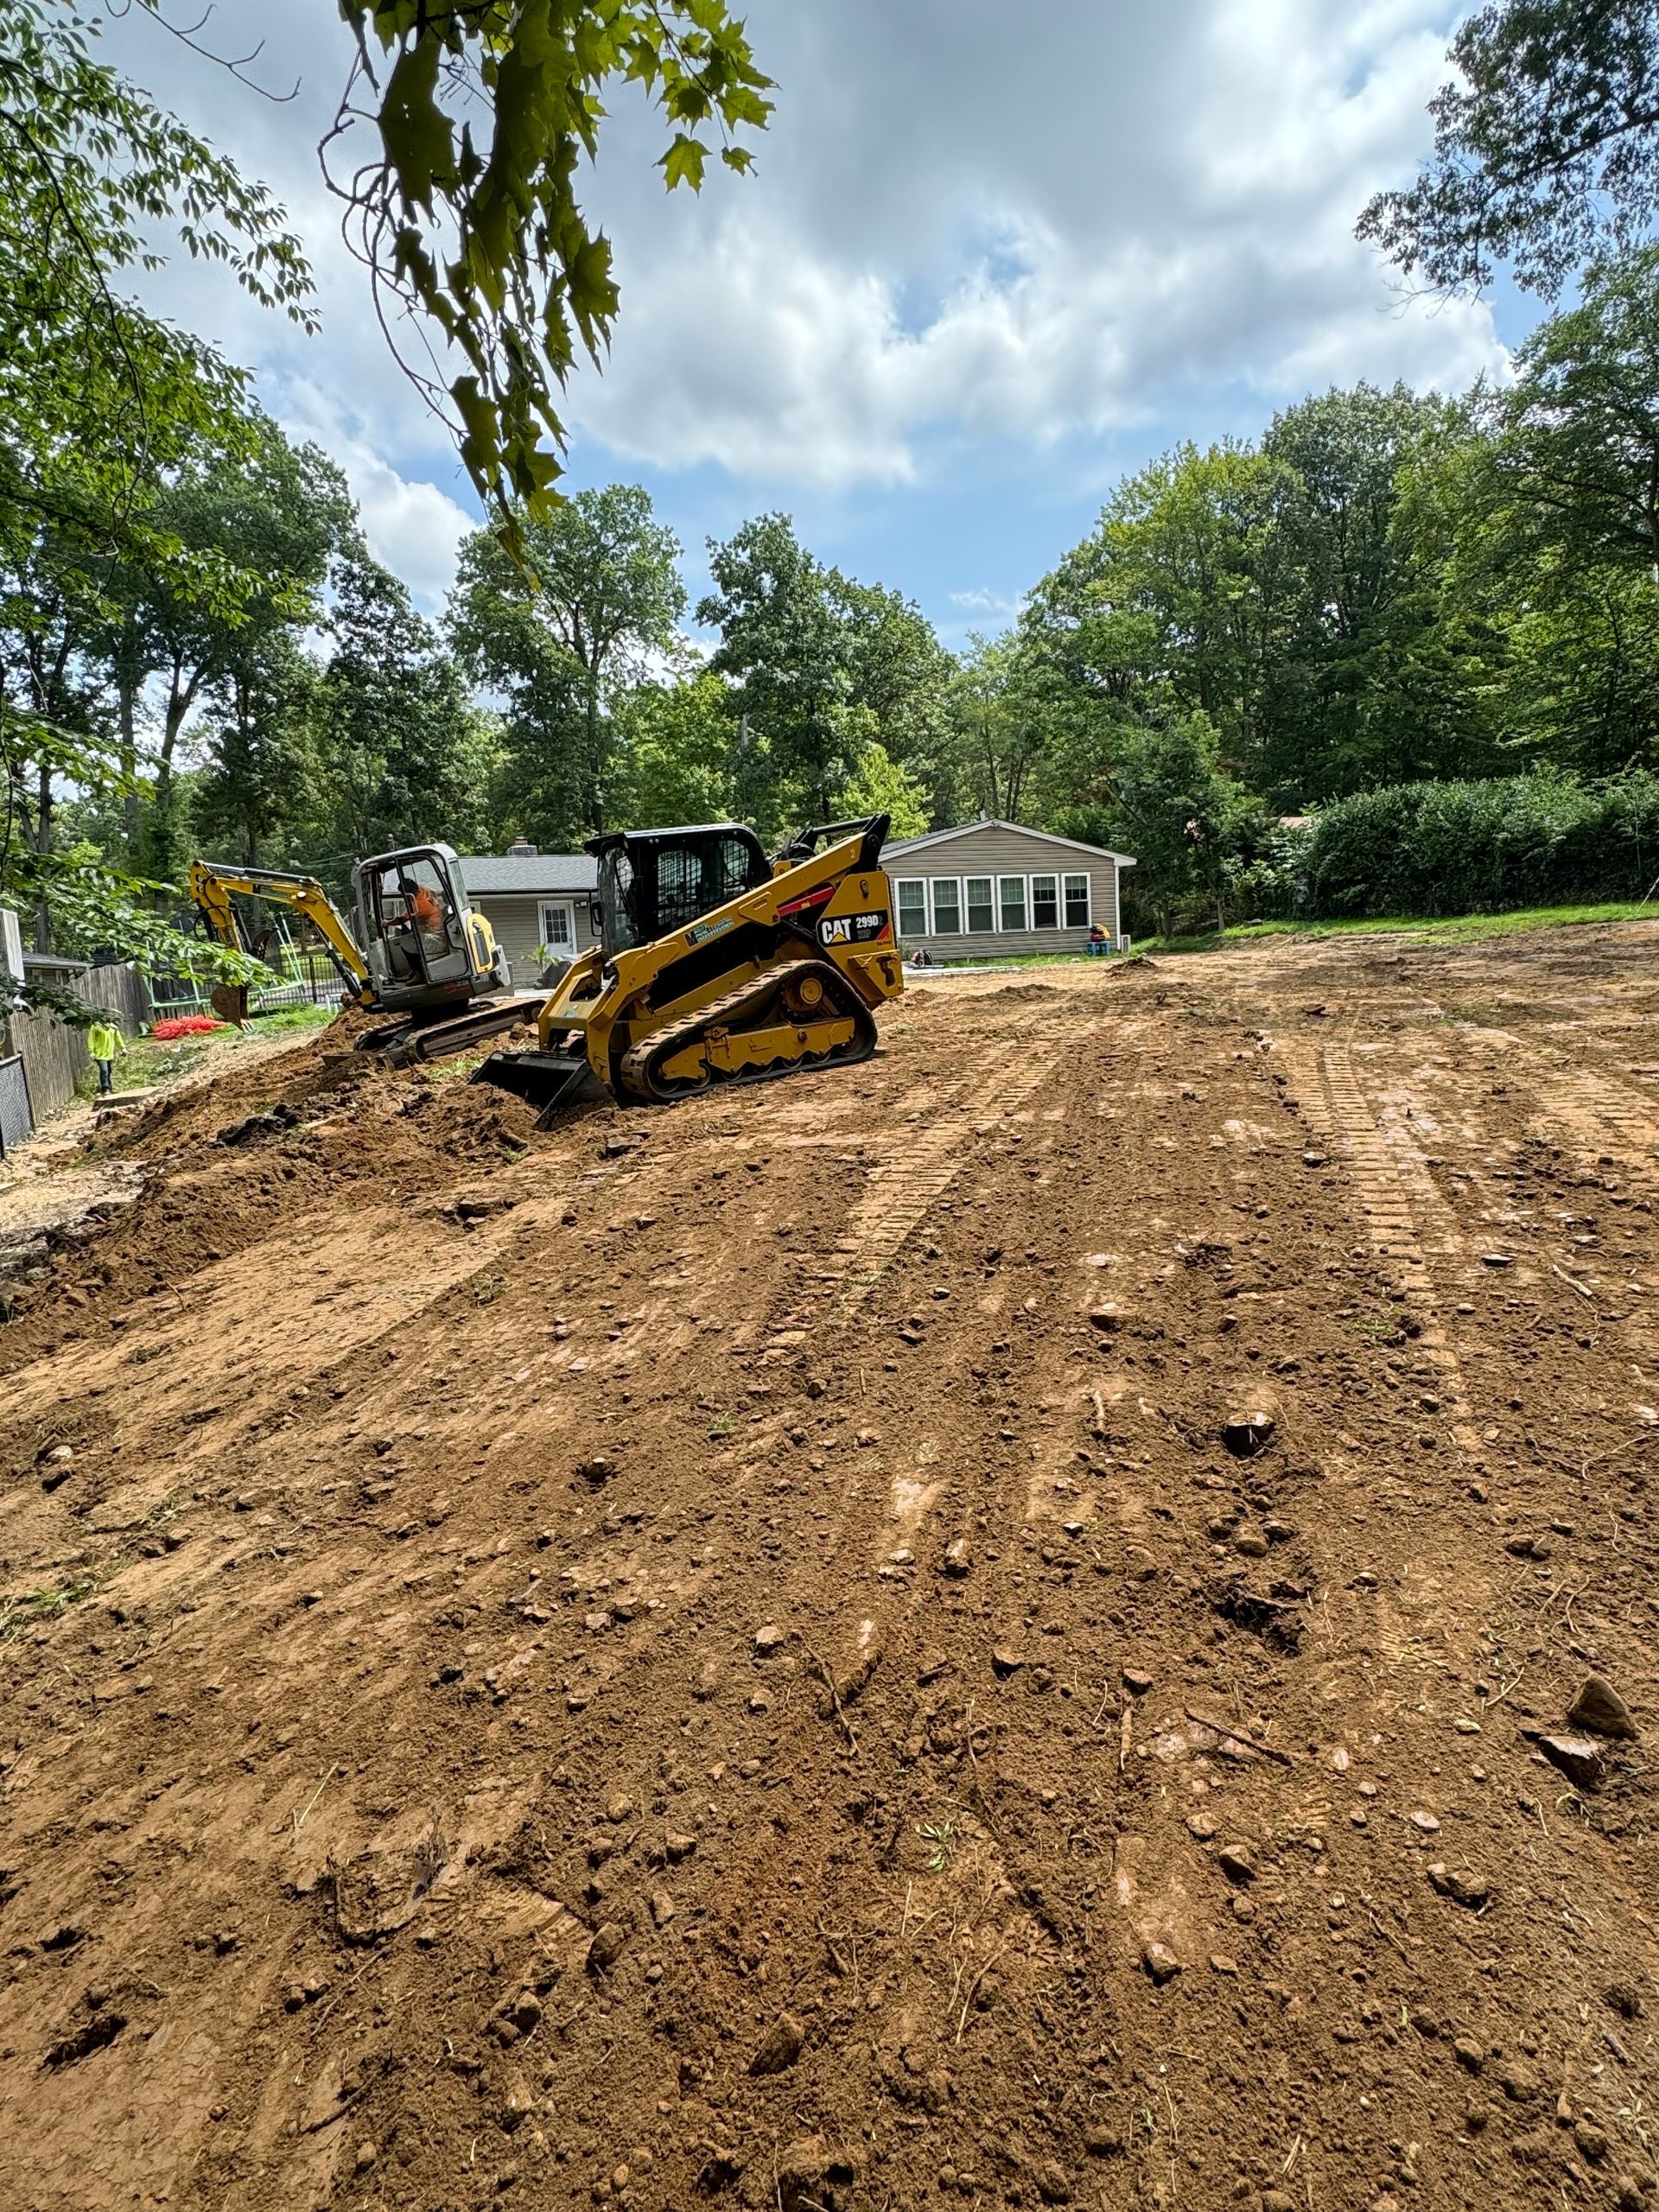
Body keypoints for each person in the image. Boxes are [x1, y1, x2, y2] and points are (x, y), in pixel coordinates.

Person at [87, 1014, 126, 1095]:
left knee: (108, 1071)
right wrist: (91, 1051)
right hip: (99, 1054)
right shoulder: (95, 1026)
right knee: (104, 1070)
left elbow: (118, 1038)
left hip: (109, 1054)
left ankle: (109, 1087)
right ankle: (105, 1088)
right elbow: (91, 1039)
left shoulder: (113, 1028)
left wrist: (123, 1048)